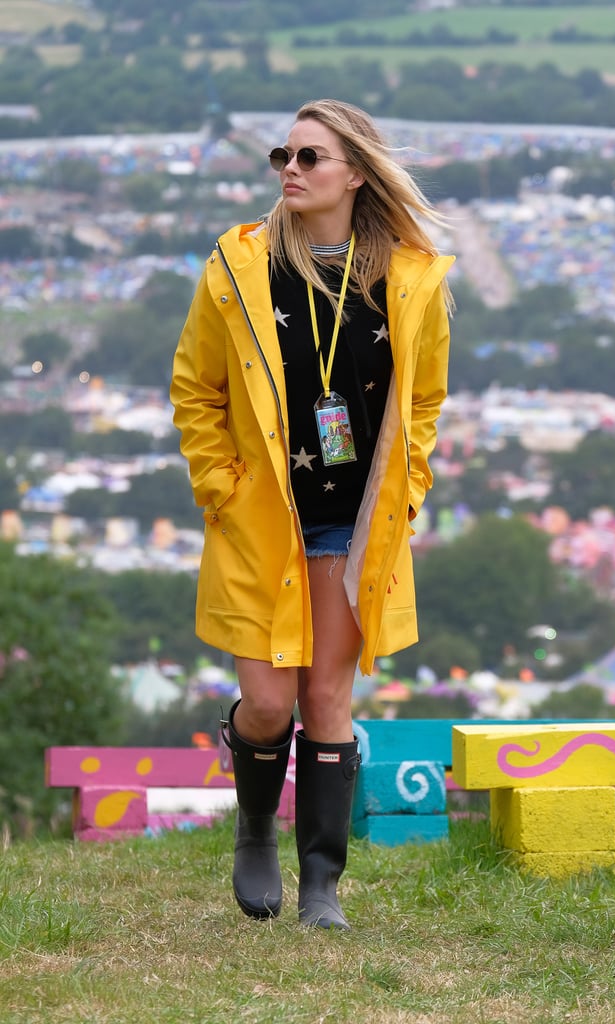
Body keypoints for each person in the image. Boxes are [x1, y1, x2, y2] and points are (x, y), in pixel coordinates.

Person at [170, 98, 454, 931]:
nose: (289, 169)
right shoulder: (241, 267)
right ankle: (255, 826)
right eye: (281, 156)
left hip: (354, 521)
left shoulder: (410, 277)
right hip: (263, 519)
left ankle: (321, 884)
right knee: (267, 702)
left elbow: (426, 400)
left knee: (328, 697)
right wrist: (219, 487)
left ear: (355, 173)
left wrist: (407, 490)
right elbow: (196, 388)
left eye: (309, 157)